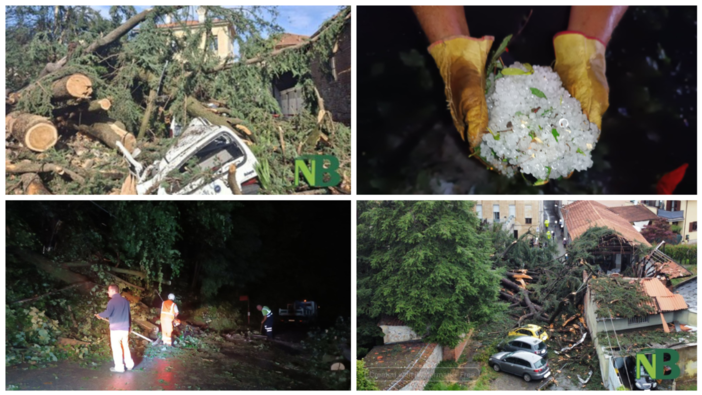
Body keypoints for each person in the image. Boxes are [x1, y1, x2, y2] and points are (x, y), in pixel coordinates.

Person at [412, 6, 627, 156]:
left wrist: (586, 48)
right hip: (459, 16)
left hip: (557, 23)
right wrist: (453, 48)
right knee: (463, 101)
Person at [95, 284, 134, 373]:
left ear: (113, 291)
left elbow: (108, 313)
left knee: (117, 348)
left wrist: (99, 315)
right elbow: (129, 315)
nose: (107, 292)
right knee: (125, 346)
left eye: (108, 290)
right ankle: (129, 364)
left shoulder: (112, 302)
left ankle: (119, 367)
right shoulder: (126, 301)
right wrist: (130, 326)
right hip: (125, 328)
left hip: (116, 329)